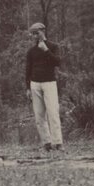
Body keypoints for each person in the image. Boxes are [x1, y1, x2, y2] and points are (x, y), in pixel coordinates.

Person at [24, 22, 63, 151]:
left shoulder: (53, 46)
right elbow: (28, 70)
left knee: (53, 113)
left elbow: (57, 62)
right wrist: (28, 88)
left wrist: (45, 50)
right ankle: (46, 143)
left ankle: (57, 142)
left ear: (43, 31)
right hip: (35, 84)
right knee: (39, 115)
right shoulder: (31, 51)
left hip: (49, 83)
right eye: (33, 34)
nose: (35, 36)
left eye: (37, 32)